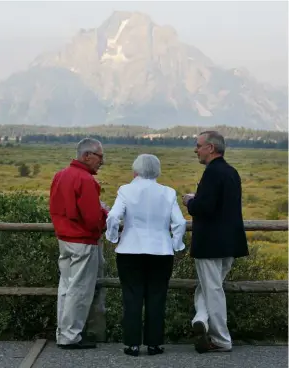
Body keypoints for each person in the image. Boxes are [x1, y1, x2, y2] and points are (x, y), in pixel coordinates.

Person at [106, 154, 187, 357]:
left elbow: (114, 216)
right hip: (161, 251)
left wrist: (113, 236)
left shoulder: (125, 190)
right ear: (157, 171)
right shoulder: (168, 193)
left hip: (130, 250)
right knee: (157, 297)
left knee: (132, 297)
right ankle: (155, 344)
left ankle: (132, 344)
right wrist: (176, 244)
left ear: (135, 171)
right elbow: (180, 223)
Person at [182, 131, 249, 354]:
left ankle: (221, 339)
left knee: (212, 290)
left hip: (210, 243)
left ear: (211, 148)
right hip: (230, 242)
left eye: (198, 145)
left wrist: (190, 202)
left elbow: (205, 208)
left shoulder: (212, 173)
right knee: (208, 286)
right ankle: (200, 319)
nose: (195, 149)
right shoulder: (231, 172)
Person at [49, 138, 108, 349]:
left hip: (64, 239)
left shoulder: (60, 175)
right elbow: (92, 218)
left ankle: (63, 332)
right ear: (87, 156)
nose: (102, 162)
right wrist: (106, 217)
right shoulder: (86, 180)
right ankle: (71, 336)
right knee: (80, 289)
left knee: (65, 286)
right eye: (100, 157)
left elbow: (55, 208)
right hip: (83, 241)